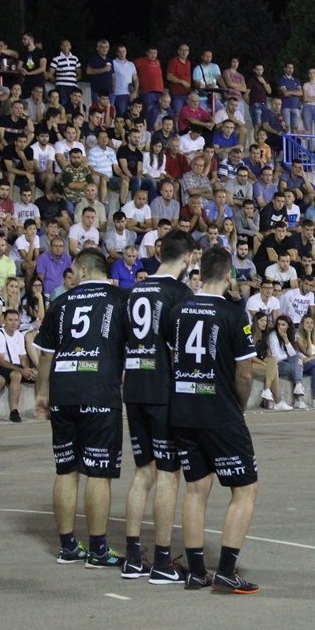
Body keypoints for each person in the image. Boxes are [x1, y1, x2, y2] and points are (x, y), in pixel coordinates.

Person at [170, 248, 261, 594]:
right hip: (220, 412)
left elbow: (174, 357)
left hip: (183, 410)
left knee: (196, 488)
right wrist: (239, 406)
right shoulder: (234, 314)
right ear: (228, 275)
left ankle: (196, 572)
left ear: (201, 272)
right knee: (245, 489)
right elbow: (244, 373)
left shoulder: (178, 312)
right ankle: (225, 570)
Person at [34, 249, 129, 568]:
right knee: (98, 472)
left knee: (66, 469)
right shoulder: (120, 299)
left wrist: (42, 394)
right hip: (98, 391)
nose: (71, 275)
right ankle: (98, 549)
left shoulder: (60, 303)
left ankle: (67, 547)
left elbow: (45, 354)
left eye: (74, 270)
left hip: (63, 391)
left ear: (86, 270)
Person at [120, 230, 195, 583]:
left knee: (143, 472)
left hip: (134, 385)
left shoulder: (136, 289)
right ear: (188, 258)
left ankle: (133, 557)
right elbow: (180, 349)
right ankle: (163, 561)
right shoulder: (179, 293)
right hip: (163, 389)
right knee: (168, 473)